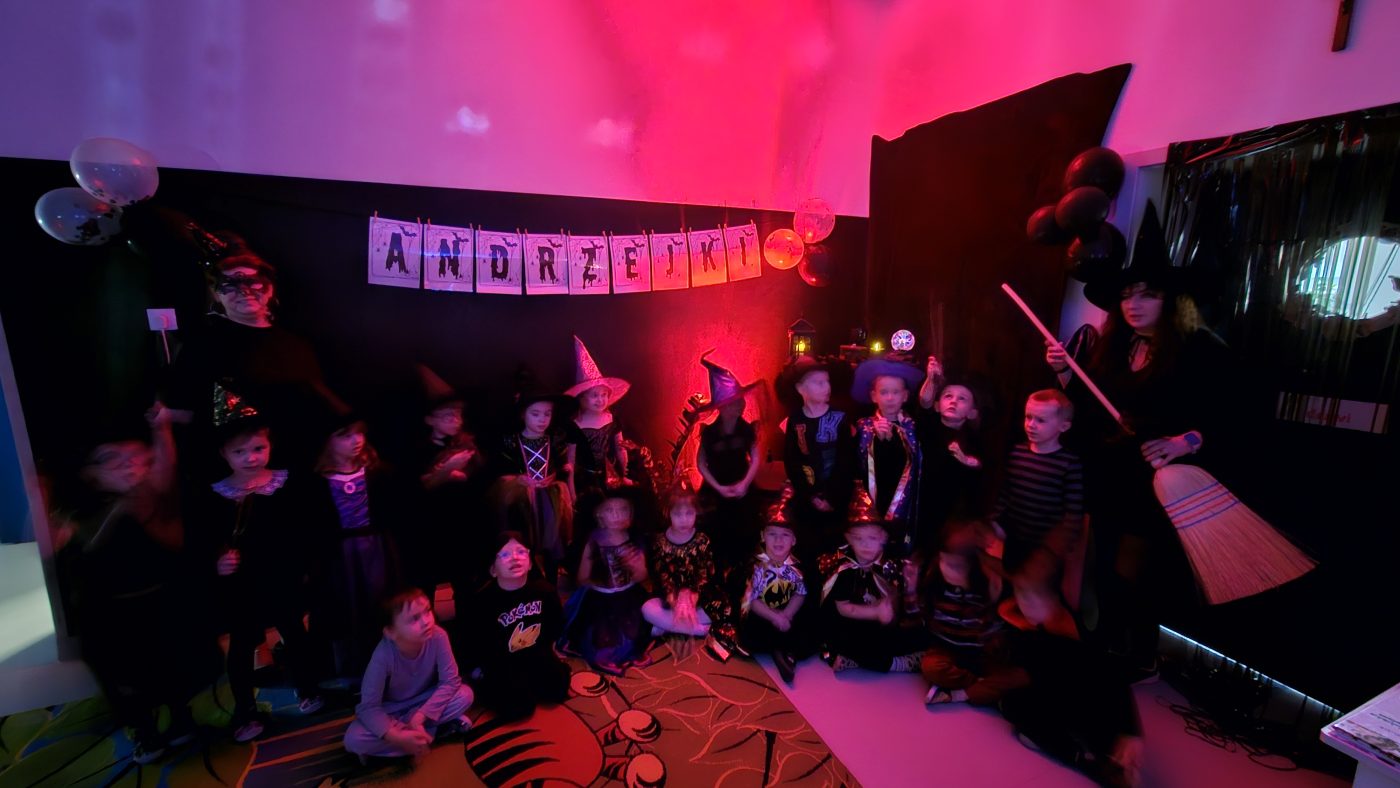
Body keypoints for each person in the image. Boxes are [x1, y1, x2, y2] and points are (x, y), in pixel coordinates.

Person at [1046, 202, 1232, 674]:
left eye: (1147, 295)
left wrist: (1182, 442)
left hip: (1156, 482)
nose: (1133, 304)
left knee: (1136, 572)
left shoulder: (1198, 353)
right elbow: (1088, 407)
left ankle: (1139, 656)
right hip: (1110, 474)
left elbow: (1227, 417)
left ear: (1171, 301)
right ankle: (1105, 646)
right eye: (1128, 295)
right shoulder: (1114, 347)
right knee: (1104, 561)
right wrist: (1065, 374)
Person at [50, 405, 219, 763]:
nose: (128, 465)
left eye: (136, 457)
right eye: (112, 459)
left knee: (171, 666)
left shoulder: (151, 500)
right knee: (126, 678)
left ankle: (180, 716)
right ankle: (144, 730)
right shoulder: (80, 515)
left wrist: (162, 432)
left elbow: (166, 481)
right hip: (109, 612)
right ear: (90, 474)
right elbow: (74, 546)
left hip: (157, 599)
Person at [163, 232, 345, 479]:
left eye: (252, 282)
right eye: (230, 285)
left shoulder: (296, 345)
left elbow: (314, 404)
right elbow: (181, 409)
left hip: (295, 467)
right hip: (228, 472)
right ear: (216, 294)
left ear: (269, 290)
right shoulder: (203, 344)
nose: (244, 291)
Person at [197, 388, 324, 742]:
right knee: (241, 646)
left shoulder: (285, 483)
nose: (251, 458)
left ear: (269, 445)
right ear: (223, 454)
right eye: (239, 452)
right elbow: (203, 540)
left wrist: (304, 564)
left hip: (282, 577)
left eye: (258, 448)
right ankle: (246, 709)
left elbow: (304, 528)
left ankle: (307, 688)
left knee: (294, 633)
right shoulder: (216, 495)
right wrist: (217, 561)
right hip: (242, 585)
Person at [997, 549, 1144, 788]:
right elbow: (1006, 609)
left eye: (1027, 596)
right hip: (1058, 697)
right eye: (1019, 594)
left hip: (1087, 706)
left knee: (1107, 741)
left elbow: (1114, 680)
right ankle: (1081, 754)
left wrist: (1131, 732)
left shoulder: (1073, 634)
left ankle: (1095, 762)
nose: (1021, 602)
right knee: (1014, 704)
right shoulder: (1034, 624)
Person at [312, 412, 403, 679]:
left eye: (360, 433)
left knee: (381, 601)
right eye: (346, 436)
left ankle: (394, 663)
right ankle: (356, 671)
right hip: (341, 556)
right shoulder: (318, 481)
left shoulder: (377, 472)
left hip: (377, 549)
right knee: (347, 608)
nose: (357, 440)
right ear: (329, 442)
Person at [344, 588, 474, 760]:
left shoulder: (438, 636)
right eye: (414, 619)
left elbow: (450, 681)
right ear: (391, 632)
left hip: (425, 701)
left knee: (465, 695)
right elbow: (368, 706)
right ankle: (430, 734)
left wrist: (420, 717)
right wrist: (396, 736)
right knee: (353, 740)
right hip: (393, 710)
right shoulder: (383, 655)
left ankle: (411, 740)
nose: (426, 622)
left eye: (427, 611)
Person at [458, 532, 571, 722]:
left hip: (536, 653)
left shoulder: (545, 591)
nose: (514, 558)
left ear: (531, 563)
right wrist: (481, 669)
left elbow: (554, 625)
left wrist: (547, 652)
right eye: (505, 554)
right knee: (519, 707)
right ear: (493, 569)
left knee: (558, 688)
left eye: (521, 552)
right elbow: (475, 642)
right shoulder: (482, 602)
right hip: (502, 660)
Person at [817, 486, 928, 673]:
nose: (866, 545)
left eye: (872, 538)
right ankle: (899, 664)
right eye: (859, 539)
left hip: (884, 622)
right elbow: (844, 608)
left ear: (883, 538)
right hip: (855, 621)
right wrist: (875, 612)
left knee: (915, 635)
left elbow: (900, 600)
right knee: (846, 638)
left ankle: (860, 659)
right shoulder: (845, 569)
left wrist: (904, 594)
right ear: (848, 538)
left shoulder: (890, 565)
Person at [920, 520, 1018, 707]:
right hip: (947, 649)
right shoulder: (935, 582)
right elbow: (923, 613)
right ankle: (980, 687)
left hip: (982, 652)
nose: (950, 570)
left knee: (1013, 676)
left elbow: (998, 623)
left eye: (957, 566)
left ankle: (967, 692)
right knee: (931, 668)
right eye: (945, 562)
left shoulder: (987, 584)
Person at [407, 365, 485, 597]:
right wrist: (447, 470)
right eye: (448, 416)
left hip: (461, 522)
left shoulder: (466, 444)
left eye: (458, 415)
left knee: (464, 580)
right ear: (430, 420)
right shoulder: (419, 449)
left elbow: (475, 476)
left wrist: (456, 473)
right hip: (431, 524)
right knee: (427, 579)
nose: (455, 420)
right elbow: (419, 486)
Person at [992, 390, 1085, 578]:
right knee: (1010, 581)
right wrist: (994, 520)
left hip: (1046, 548)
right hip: (1015, 539)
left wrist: (1057, 549)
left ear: (1064, 426)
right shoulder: (1017, 453)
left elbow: (1074, 513)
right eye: (1028, 417)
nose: (1031, 425)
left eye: (1041, 420)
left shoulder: (1069, 463)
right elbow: (1006, 494)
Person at [560, 487, 651, 675]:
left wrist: (634, 566)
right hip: (601, 598)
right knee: (600, 641)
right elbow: (582, 579)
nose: (617, 515)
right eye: (610, 510)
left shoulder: (634, 538)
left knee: (638, 632)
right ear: (599, 515)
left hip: (629, 595)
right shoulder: (593, 540)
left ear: (631, 512)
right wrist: (597, 575)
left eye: (623, 509)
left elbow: (642, 577)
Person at [491, 391, 575, 579]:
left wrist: (563, 470)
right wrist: (517, 479)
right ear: (523, 415)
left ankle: (551, 581)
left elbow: (560, 465)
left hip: (550, 497)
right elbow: (501, 469)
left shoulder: (555, 439)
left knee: (552, 539)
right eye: (535, 414)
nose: (542, 419)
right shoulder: (512, 441)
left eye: (547, 414)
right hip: (521, 499)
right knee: (525, 538)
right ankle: (530, 578)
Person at [736, 489, 816, 684]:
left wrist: (786, 615)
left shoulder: (796, 568)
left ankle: (782, 651)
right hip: (764, 613)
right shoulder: (758, 567)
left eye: (785, 535)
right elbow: (752, 600)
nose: (778, 540)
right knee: (751, 634)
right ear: (763, 536)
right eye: (772, 534)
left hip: (787, 611)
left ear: (794, 540)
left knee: (808, 634)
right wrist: (775, 617)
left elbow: (800, 594)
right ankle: (781, 651)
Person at [850, 357, 926, 556]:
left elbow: (913, 465)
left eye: (896, 392)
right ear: (874, 396)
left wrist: (892, 441)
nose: (890, 398)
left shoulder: (914, 428)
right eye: (884, 392)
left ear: (905, 396)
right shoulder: (863, 426)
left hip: (904, 505)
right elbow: (856, 465)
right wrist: (878, 440)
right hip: (872, 500)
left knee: (897, 549)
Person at [780, 356, 855, 556]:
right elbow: (792, 460)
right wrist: (809, 495)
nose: (826, 387)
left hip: (836, 499)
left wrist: (831, 497)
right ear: (800, 389)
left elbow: (846, 461)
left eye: (827, 381)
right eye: (819, 383)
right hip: (806, 498)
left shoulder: (840, 417)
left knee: (834, 548)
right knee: (808, 547)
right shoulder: (795, 419)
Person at [695, 352, 763, 572]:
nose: (740, 406)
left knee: (745, 532)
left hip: (743, 485)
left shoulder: (746, 429)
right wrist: (718, 487)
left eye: (740, 401)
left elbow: (756, 457)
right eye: (734, 403)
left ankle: (742, 573)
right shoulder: (709, 432)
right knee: (717, 532)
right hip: (715, 489)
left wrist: (744, 484)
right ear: (722, 407)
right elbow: (700, 462)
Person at [914, 356, 985, 553]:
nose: (954, 401)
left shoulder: (973, 440)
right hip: (920, 503)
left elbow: (979, 469)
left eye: (962, 399)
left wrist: (968, 461)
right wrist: (931, 379)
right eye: (948, 396)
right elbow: (924, 402)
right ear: (938, 405)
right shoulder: (928, 426)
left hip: (951, 512)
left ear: (972, 412)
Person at [642, 480, 719, 639]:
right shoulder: (660, 542)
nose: (684, 519)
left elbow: (706, 574)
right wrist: (675, 599)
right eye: (677, 514)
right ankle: (697, 629)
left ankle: (669, 625)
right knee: (647, 608)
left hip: (697, 598)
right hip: (671, 599)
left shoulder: (702, 540)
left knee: (720, 607)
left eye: (689, 513)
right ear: (668, 513)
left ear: (696, 513)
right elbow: (661, 576)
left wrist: (691, 595)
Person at [566, 335, 632, 496]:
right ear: (582, 397)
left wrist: (625, 474)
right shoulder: (575, 425)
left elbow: (620, 449)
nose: (600, 400)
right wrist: (571, 492)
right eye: (594, 395)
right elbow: (570, 461)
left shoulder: (612, 419)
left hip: (610, 476)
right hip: (585, 481)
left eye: (604, 395)